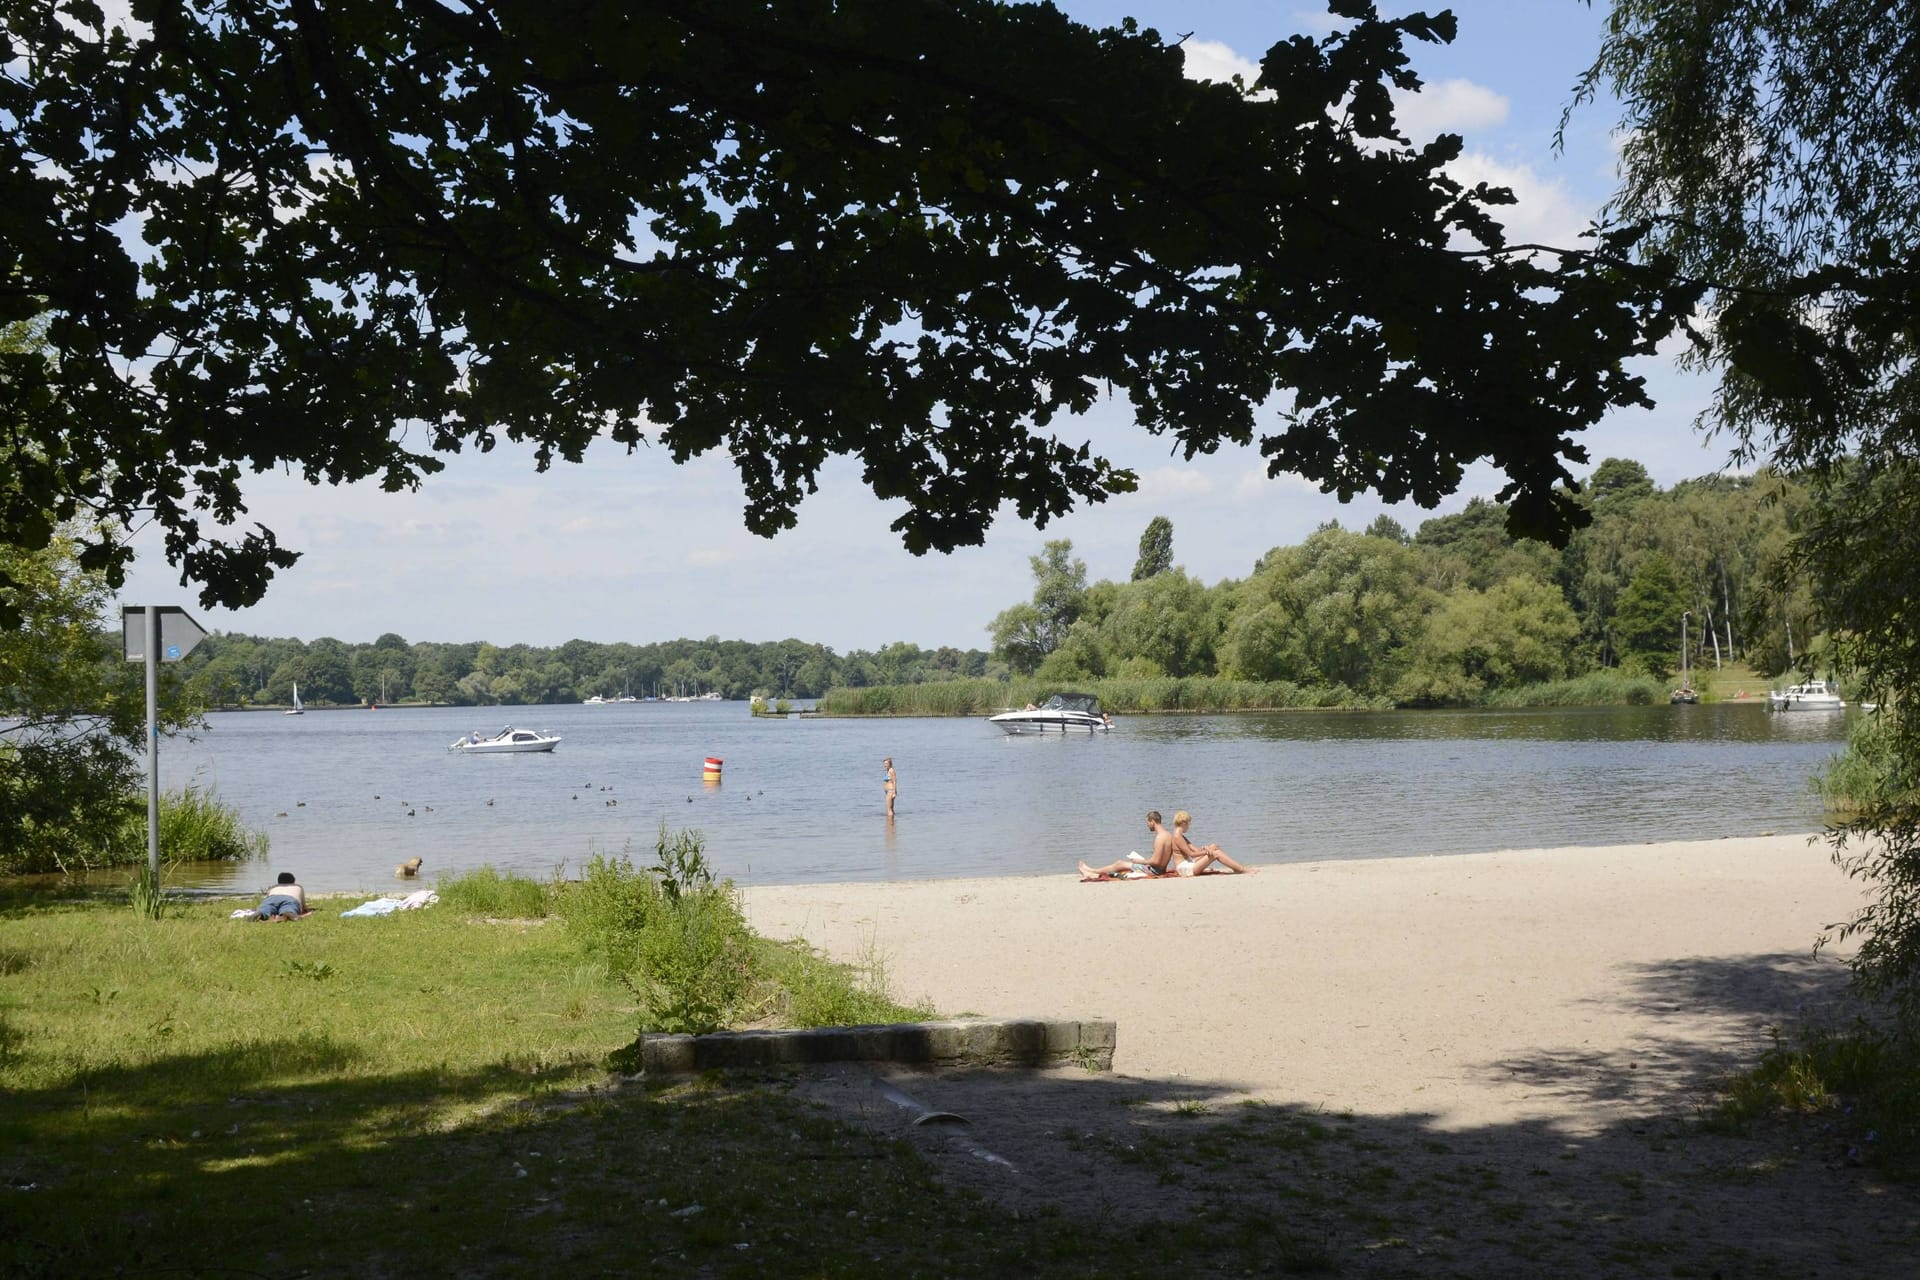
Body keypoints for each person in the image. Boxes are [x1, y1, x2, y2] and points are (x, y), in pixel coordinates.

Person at [1080, 811, 1184, 880]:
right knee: (1122, 865)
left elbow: (1155, 861)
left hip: (1154, 871)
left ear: (1152, 821)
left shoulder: (1159, 838)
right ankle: (1093, 871)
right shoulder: (1168, 835)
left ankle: (1092, 870)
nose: (1147, 825)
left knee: (1119, 864)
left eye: (1147, 822)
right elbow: (1160, 860)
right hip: (1160, 869)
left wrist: (1139, 861)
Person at [1171, 811, 1257, 874]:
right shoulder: (1177, 836)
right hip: (1185, 869)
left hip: (1189, 864)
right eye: (1188, 823)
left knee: (1214, 846)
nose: (1189, 826)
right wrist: (1207, 852)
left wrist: (1206, 848)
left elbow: (1195, 850)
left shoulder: (1181, 836)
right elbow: (1191, 854)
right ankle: (1242, 869)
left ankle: (1236, 868)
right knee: (1217, 853)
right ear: (1183, 823)